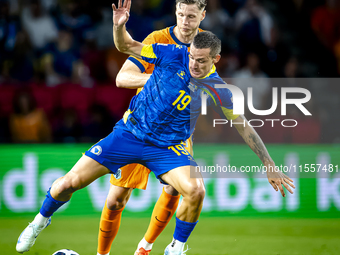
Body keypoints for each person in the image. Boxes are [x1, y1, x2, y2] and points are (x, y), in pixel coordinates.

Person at [16, 1, 295, 255]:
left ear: (214, 60)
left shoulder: (219, 88)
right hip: (131, 133)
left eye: (201, 60)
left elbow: (242, 124)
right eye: (192, 57)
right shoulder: (170, 50)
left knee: (195, 191)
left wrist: (268, 162)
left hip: (168, 146)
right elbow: (126, 47)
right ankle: (39, 222)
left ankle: (174, 248)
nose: (194, 64)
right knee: (70, 184)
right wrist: (118, 26)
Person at [97, 1, 206, 254]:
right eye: (180, 14)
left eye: (191, 15)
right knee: (115, 201)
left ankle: (146, 247)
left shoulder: (205, 44)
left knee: (176, 188)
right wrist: (161, 79)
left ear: (202, 15)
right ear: (175, 13)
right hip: (140, 127)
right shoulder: (158, 39)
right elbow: (122, 78)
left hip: (176, 132)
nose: (185, 21)